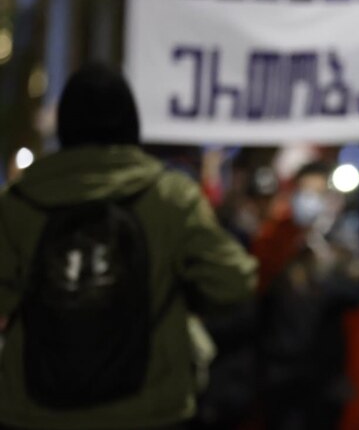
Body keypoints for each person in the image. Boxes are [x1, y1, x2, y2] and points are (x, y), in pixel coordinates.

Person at [0, 62, 258, 429]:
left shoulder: (20, 202)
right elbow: (234, 281)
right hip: (150, 406)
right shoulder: (170, 197)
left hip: (36, 407)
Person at [254, 161, 359, 430]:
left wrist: (323, 272)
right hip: (280, 368)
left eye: (317, 193)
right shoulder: (273, 238)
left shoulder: (343, 242)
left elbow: (358, 294)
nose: (309, 200)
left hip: (325, 370)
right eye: (303, 192)